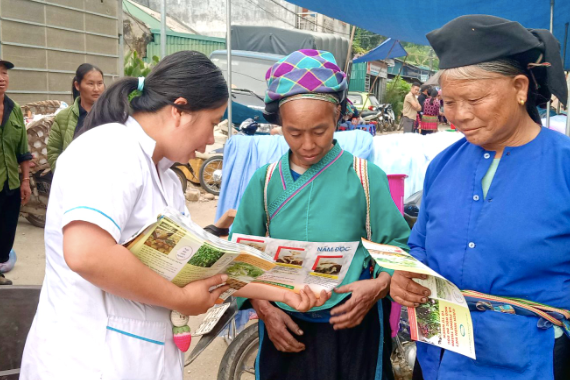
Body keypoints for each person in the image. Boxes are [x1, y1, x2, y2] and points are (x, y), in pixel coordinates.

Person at [20, 51, 324, 380]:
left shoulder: (165, 179)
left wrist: (285, 291)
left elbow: (195, 270)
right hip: (88, 360)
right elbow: (87, 254)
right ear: (179, 110)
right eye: (211, 124)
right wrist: (180, 298)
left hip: (138, 358)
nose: (210, 140)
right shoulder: (109, 149)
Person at [390, 15, 570, 380]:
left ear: (520, 87)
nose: (459, 116)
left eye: (474, 98)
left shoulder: (563, 166)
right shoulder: (443, 165)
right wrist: (404, 278)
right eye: (449, 102)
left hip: (531, 361)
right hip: (440, 356)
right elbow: (420, 248)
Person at [231, 49, 411, 380]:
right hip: (285, 325)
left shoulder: (365, 177)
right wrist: (264, 308)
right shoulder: (266, 181)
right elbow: (239, 256)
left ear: (338, 117)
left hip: (352, 323)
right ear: (279, 124)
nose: (308, 144)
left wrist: (379, 285)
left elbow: (397, 247)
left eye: (320, 130)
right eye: (294, 132)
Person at [0, 59, 32, 286]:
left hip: (9, 182)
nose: (2, 78)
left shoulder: (15, 110)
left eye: (4, 74)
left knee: (7, 228)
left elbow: (23, 150)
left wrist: (26, 180)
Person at [47, 63, 104, 171]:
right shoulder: (63, 117)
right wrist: (64, 176)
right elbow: (53, 152)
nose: (96, 89)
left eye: (100, 83)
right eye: (90, 84)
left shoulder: (111, 115)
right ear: (77, 85)